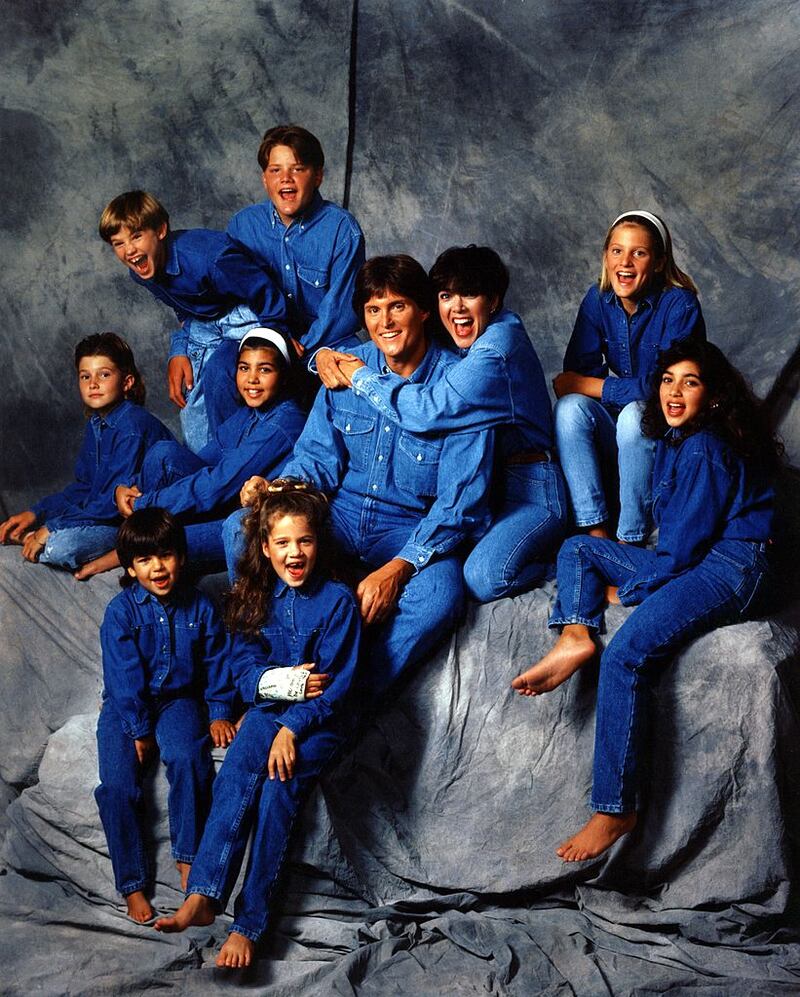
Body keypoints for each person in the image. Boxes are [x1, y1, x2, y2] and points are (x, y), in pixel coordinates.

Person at [513, 339, 779, 862]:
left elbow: (681, 556)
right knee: (577, 546)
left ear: (713, 395)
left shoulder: (703, 446)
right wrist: (629, 582)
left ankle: (615, 809)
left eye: (691, 382)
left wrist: (631, 589)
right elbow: (678, 546)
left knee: (628, 655)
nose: (674, 391)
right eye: (667, 380)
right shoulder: (678, 438)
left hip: (734, 565)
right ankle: (574, 633)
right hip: (698, 554)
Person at [227, 255, 494, 697]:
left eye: (397, 307)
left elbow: (460, 503)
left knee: (441, 593)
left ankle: (347, 696)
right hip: (339, 519)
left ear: (424, 311)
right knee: (241, 529)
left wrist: (397, 569)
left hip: (407, 529)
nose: (384, 322)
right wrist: (276, 489)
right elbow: (315, 460)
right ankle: (277, 674)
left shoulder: (459, 383)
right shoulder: (344, 366)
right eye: (373, 310)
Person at [154, 482, 362, 969]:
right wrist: (287, 684)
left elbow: (337, 686)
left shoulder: (337, 602)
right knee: (236, 768)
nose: (295, 553)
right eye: (283, 543)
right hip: (271, 711)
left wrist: (292, 726)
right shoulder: (254, 597)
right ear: (265, 548)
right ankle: (205, 893)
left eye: (304, 541)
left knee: (276, 789)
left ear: (318, 544)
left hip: (325, 719)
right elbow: (244, 676)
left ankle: (249, 924)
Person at [318, 244, 568, 602]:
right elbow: (399, 329)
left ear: (494, 300)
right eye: (446, 295)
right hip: (491, 487)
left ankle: (565, 567)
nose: (457, 307)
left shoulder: (496, 349)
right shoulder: (460, 331)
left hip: (529, 487)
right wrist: (322, 355)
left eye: (470, 294)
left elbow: (428, 408)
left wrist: (362, 378)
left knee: (483, 578)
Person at [95, 509, 236, 923]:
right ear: (129, 566)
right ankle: (132, 884)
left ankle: (188, 858)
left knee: (189, 758)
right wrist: (138, 731)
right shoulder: (120, 612)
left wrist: (220, 711)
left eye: (166, 555)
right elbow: (122, 678)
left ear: (182, 557)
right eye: (144, 560)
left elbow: (217, 663)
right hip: (126, 705)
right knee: (118, 786)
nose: (157, 567)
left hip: (180, 701)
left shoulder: (201, 606)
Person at [80, 330, 306, 578]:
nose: (251, 379)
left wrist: (144, 502)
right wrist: (130, 487)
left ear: (283, 375)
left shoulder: (283, 422)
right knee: (163, 453)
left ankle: (133, 544)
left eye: (264, 370)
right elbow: (206, 461)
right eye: (244, 368)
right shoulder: (249, 413)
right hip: (224, 500)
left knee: (164, 544)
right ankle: (136, 535)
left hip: (246, 520)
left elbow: (217, 483)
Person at [554, 210, 705, 543]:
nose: (626, 262)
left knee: (635, 413)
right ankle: (596, 532)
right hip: (626, 428)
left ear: (659, 262)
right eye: (617, 250)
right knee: (570, 410)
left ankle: (630, 538)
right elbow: (577, 373)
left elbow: (665, 390)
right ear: (606, 256)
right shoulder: (597, 299)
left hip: (671, 430)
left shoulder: (680, 306)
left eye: (639, 253)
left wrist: (587, 385)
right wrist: (585, 386)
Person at [99, 190, 289, 450]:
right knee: (191, 392)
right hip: (207, 322)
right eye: (118, 243)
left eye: (136, 236)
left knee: (218, 374)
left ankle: (230, 458)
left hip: (248, 311)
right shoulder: (141, 272)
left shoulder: (211, 259)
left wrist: (278, 333)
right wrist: (180, 348)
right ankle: (202, 468)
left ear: (161, 231)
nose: (129, 250)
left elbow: (264, 291)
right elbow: (185, 309)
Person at [0, 333, 173, 577]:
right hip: (108, 516)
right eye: (85, 376)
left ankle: (121, 551)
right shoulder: (98, 423)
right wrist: (37, 513)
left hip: (140, 523)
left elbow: (112, 504)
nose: (93, 383)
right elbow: (86, 488)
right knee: (52, 533)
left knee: (61, 546)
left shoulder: (132, 426)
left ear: (127, 382)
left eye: (104, 374)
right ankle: (40, 536)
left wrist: (50, 528)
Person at [225, 124, 365, 385]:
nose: (285, 179)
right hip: (262, 342)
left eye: (297, 169)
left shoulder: (342, 229)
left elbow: (342, 312)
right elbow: (219, 297)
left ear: (318, 176)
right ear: (264, 179)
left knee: (352, 370)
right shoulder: (242, 226)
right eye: (275, 170)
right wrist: (275, 342)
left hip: (327, 341)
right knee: (217, 369)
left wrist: (295, 348)